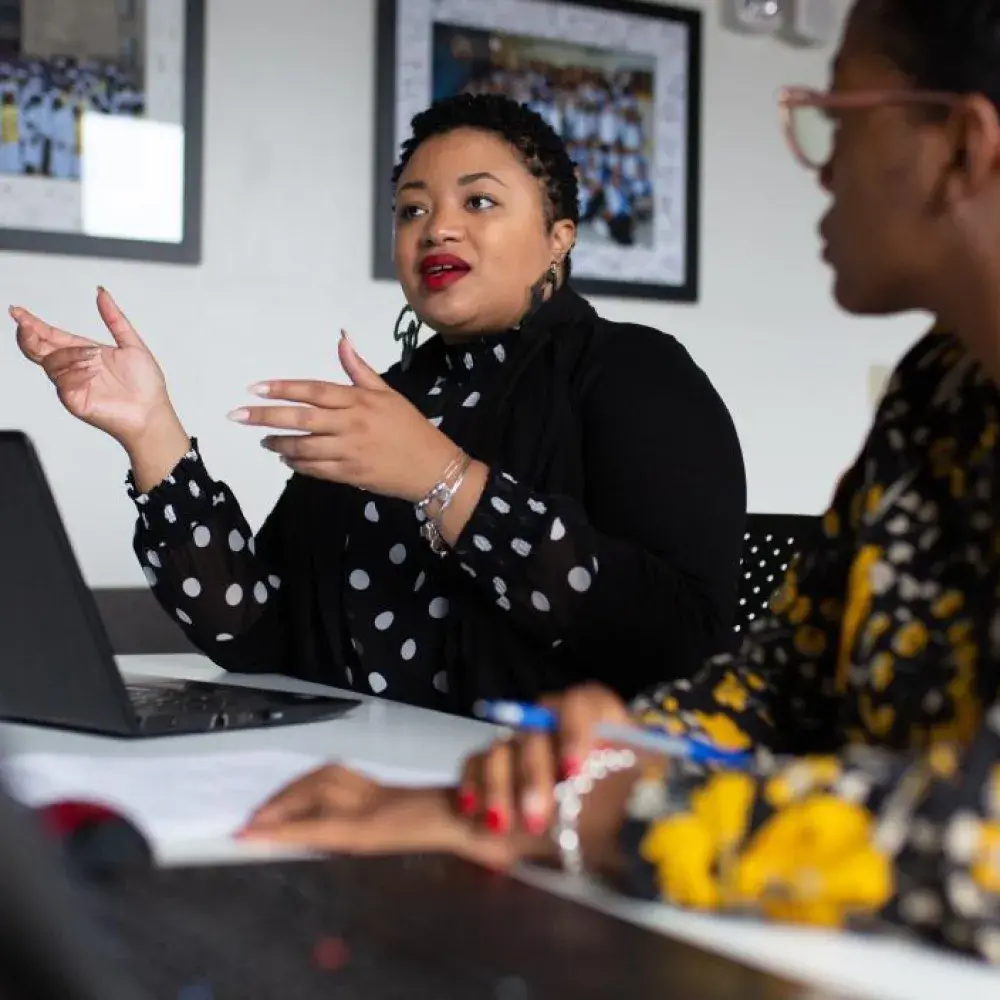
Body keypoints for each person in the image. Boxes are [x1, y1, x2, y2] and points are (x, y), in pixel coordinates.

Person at [237, 0, 1000, 962]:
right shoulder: (941, 388)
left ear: (964, 146)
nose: (820, 164)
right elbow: (775, 683)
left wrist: (590, 811)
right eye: (415, 207)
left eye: (837, 120)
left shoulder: (627, 369)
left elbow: (983, 844)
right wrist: (572, 758)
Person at [12, 93, 746, 715]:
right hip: (349, 778)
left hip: (530, 801)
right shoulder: (390, 400)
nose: (438, 228)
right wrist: (151, 434)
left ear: (559, 238)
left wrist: (444, 477)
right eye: (411, 210)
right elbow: (254, 630)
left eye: (479, 201)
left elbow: (682, 642)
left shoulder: (635, 371)